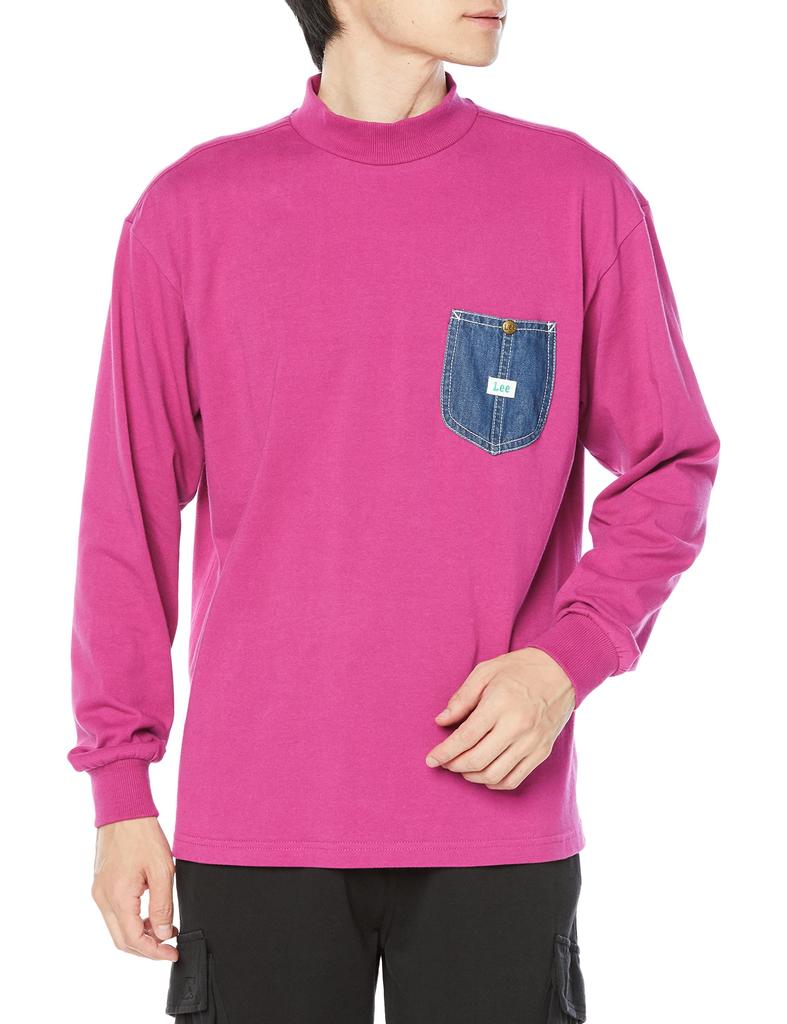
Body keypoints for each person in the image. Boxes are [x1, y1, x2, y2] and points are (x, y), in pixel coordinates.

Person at [67, 2, 721, 1021]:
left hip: (497, 821)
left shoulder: (577, 195)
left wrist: (565, 661)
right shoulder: (192, 211)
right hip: (259, 822)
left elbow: (672, 462)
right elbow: (126, 516)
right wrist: (120, 789)